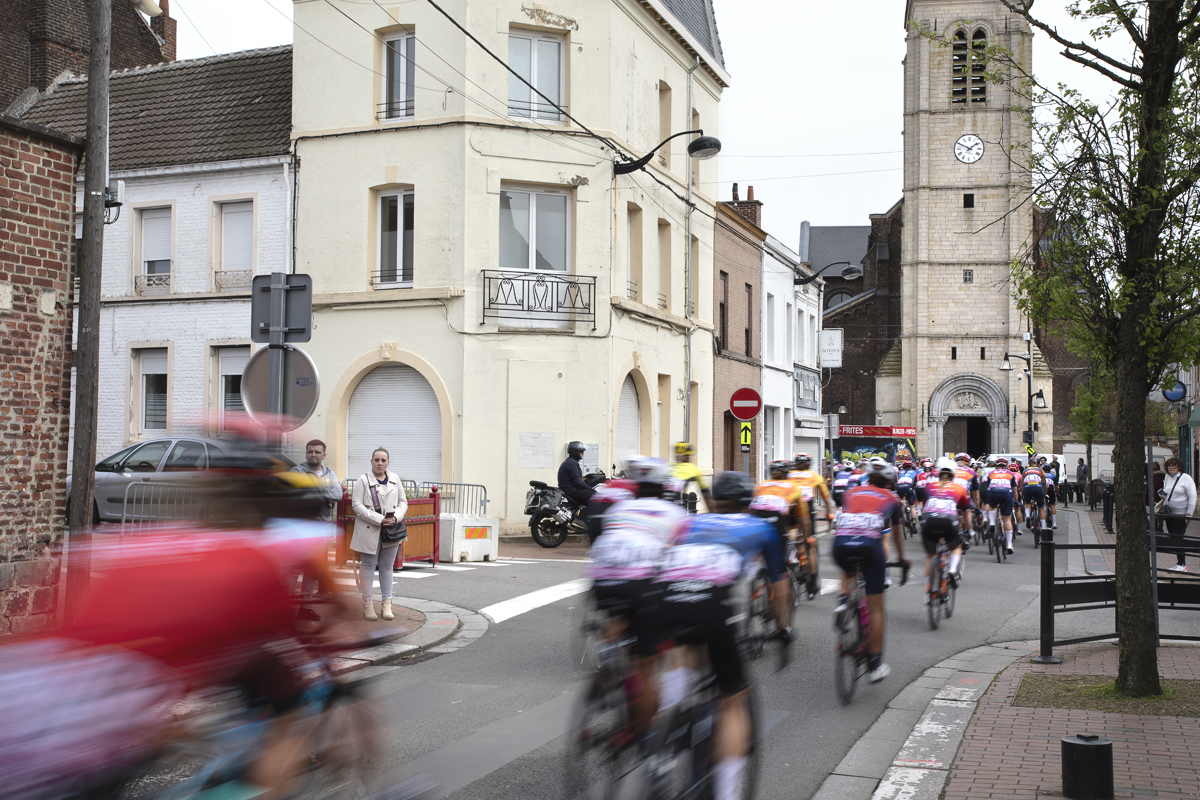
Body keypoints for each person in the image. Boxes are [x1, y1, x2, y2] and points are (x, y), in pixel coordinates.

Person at [654, 471, 789, 800]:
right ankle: (726, 794)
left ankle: (662, 747)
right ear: (748, 501)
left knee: (684, 655)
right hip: (715, 607)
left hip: (667, 599)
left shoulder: (689, 523)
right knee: (732, 700)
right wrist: (782, 631)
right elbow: (780, 589)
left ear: (714, 498)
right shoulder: (761, 527)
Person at [585, 456, 683, 733]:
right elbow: (682, 561)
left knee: (619, 614)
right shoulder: (674, 514)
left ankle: (609, 654)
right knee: (647, 667)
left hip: (603, 580)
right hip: (641, 583)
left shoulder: (621, 509)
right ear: (665, 487)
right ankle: (645, 740)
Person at [832, 458, 909, 683]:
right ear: (890, 481)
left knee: (848, 572)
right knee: (876, 610)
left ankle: (843, 602)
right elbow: (896, 536)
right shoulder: (892, 498)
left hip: (841, 544)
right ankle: (875, 665)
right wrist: (902, 559)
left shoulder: (851, 493)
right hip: (870, 546)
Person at [351, 447, 408, 621]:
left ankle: (387, 604)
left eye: (383, 460)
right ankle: (367, 605)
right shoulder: (363, 480)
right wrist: (379, 519)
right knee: (368, 566)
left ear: (388, 462)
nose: (380, 463)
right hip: (369, 528)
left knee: (387, 567)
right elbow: (357, 505)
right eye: (377, 460)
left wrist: (396, 517)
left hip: (391, 529)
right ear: (371, 462)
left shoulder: (395, 479)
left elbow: (403, 502)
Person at [917, 458, 970, 603]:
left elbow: (924, 505)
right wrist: (970, 530)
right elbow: (965, 512)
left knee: (930, 556)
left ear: (938, 473)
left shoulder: (929, 487)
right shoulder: (959, 489)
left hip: (929, 521)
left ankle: (928, 593)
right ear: (954, 475)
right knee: (956, 546)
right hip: (949, 521)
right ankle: (952, 570)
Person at [290, 439, 343, 524]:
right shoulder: (297, 472)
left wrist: (311, 488)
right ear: (306, 454)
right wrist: (326, 498)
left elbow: (338, 495)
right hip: (302, 525)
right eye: (310, 452)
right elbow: (297, 496)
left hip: (324, 525)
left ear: (324, 455)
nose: (313, 455)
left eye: (317, 452)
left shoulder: (330, 474)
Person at [1159, 457, 1197, 572]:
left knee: (1179, 538)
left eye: (1174, 466)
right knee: (1173, 538)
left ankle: (1182, 564)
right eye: (1169, 466)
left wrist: (1189, 514)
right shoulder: (1167, 478)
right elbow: (1168, 492)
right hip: (1169, 513)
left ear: (1179, 467)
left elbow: (1193, 496)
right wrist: (1163, 496)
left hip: (1181, 514)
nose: (1171, 468)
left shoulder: (1186, 479)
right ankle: (1179, 562)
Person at [984, 458, 1019, 554]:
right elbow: (1015, 491)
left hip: (993, 492)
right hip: (1006, 493)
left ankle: (991, 522)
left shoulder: (991, 473)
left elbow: (988, 486)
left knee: (992, 506)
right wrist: (1016, 502)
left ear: (996, 466)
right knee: (1007, 519)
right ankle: (1009, 545)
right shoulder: (1010, 473)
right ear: (1006, 466)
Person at [670, 441, 714, 510]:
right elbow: (706, 495)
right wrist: (713, 513)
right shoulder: (693, 469)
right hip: (675, 511)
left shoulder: (667, 466)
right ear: (687, 457)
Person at [558, 440, 597, 515]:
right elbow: (577, 481)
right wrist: (590, 489)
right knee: (595, 498)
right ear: (576, 452)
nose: (583, 454)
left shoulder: (571, 461)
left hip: (569, 488)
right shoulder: (572, 463)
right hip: (571, 489)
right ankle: (586, 519)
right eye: (581, 452)